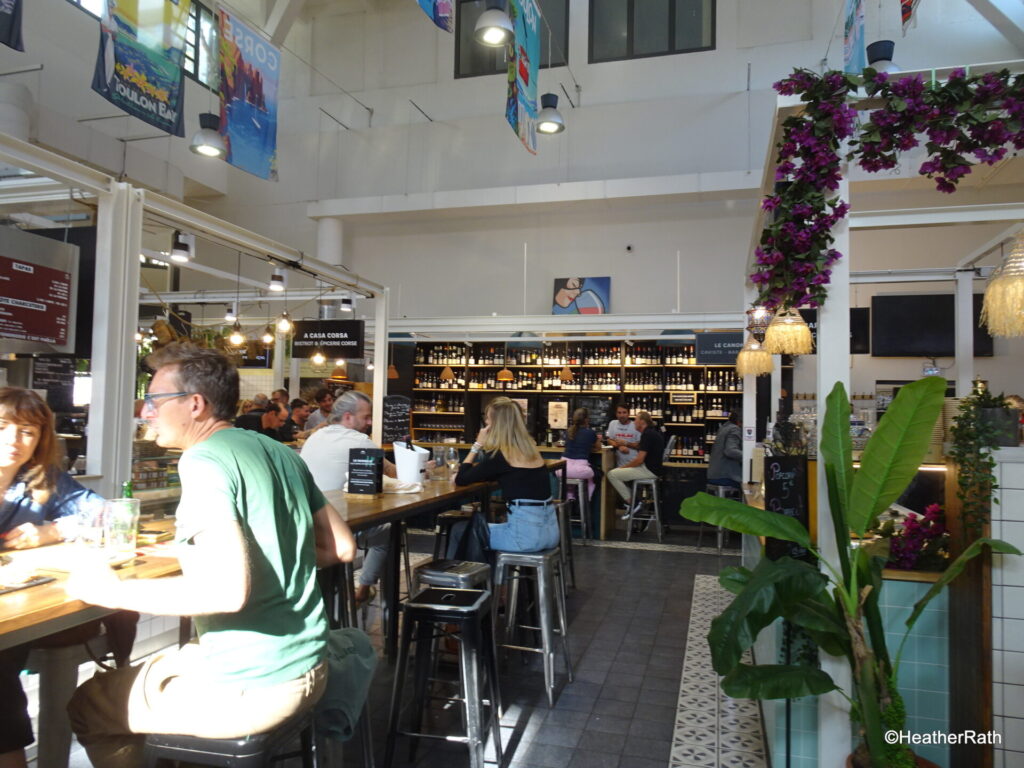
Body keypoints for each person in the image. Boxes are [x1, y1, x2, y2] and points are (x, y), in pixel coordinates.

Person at [66, 343, 357, 768]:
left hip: (257, 682)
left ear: (195, 404)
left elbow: (225, 593)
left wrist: (111, 590)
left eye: (153, 400)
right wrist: (263, 554)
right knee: (158, 671)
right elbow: (341, 546)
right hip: (310, 663)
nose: (146, 412)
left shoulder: (203, 460)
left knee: (91, 704)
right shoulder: (276, 450)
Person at [0, 388, 113, 768]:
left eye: (27, 432)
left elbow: (107, 514)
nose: (14, 440)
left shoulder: (43, 479)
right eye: (3, 426)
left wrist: (54, 531)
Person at [300, 391, 395, 606]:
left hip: (306, 524)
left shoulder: (315, 437)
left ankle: (339, 592)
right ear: (348, 417)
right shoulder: (359, 440)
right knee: (389, 529)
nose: (370, 422)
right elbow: (393, 473)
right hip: (340, 528)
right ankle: (363, 589)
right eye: (366, 417)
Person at [448, 397, 559, 565]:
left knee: (460, 530)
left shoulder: (500, 456)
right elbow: (497, 474)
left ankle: (459, 585)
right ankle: (490, 584)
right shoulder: (531, 451)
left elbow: (462, 479)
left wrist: (477, 445)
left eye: (487, 419)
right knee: (479, 530)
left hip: (524, 538)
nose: (485, 423)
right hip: (549, 534)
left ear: (496, 424)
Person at [606, 411, 665, 516]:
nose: (634, 423)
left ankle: (634, 504)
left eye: (636, 420)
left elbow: (639, 460)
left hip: (649, 470)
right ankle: (636, 504)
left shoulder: (647, 435)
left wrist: (623, 468)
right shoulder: (650, 433)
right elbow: (640, 450)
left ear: (642, 422)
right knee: (621, 475)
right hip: (653, 469)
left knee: (612, 474)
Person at [560, 407, 599, 502]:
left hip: (562, 469)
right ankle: (587, 498)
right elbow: (598, 447)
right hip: (580, 469)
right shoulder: (591, 433)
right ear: (586, 420)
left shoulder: (568, 431)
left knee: (571, 476)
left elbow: (565, 444)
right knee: (596, 474)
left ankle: (570, 494)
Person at [708, 410, 743, 489]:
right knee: (747, 486)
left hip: (714, 474)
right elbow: (730, 451)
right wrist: (748, 457)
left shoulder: (724, 427)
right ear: (739, 421)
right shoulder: (735, 429)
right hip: (724, 476)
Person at [606, 403, 641, 468]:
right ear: (616, 414)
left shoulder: (636, 425)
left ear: (629, 413)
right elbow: (609, 440)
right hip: (619, 465)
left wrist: (626, 443)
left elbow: (640, 446)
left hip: (635, 464)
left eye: (624, 412)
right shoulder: (613, 423)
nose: (621, 415)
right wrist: (619, 446)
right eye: (619, 413)